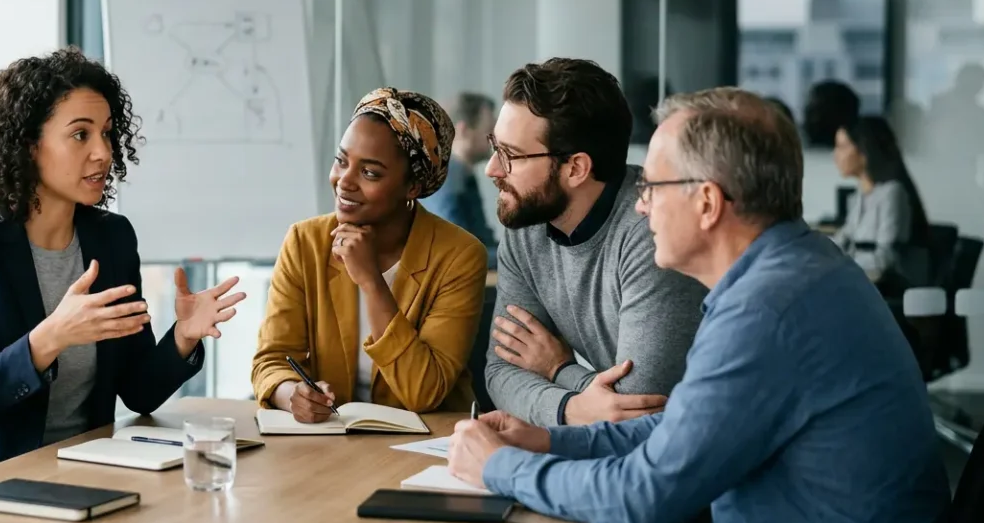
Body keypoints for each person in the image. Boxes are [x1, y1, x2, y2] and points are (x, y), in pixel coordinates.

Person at [450, 87, 950, 523]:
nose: (640, 205)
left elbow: (643, 497)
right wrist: (547, 440)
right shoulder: (794, 268)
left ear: (708, 204)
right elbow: (678, 428)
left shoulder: (766, 312)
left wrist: (498, 468)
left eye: (651, 187)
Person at [0, 48, 245, 493]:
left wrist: (183, 336)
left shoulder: (112, 238)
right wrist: (52, 336)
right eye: (80, 135)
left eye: (106, 133)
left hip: (84, 474)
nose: (103, 152)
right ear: (27, 144)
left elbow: (136, 392)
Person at [484, 58, 705, 427]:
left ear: (576, 168)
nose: (492, 168)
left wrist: (558, 368)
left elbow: (641, 411)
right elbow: (501, 371)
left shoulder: (651, 232)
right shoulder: (526, 221)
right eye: (495, 146)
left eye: (510, 155)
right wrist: (569, 409)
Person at [252, 88, 487, 422]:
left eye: (370, 173)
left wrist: (371, 281)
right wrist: (293, 394)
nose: (343, 182)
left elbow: (423, 391)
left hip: (426, 447)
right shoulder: (305, 242)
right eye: (341, 161)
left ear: (413, 187)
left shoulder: (459, 256)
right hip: (333, 443)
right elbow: (271, 360)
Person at [832, 115, 931, 289]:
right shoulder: (859, 197)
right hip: (865, 283)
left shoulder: (893, 193)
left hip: (890, 289)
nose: (836, 155)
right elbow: (843, 240)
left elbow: (886, 258)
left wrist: (841, 265)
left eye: (842, 147)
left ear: (863, 151)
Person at [421, 92, 500, 268]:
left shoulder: (462, 174)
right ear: (464, 130)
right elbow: (456, 252)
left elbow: (482, 239)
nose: (496, 138)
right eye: (489, 130)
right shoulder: (447, 178)